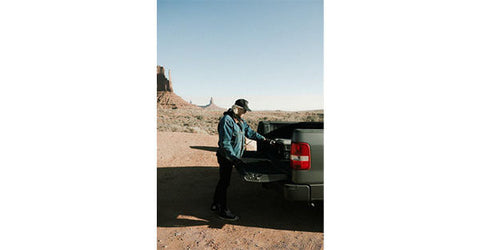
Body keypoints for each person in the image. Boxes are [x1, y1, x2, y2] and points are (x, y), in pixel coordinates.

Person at [211, 99, 274, 221]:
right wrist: (234, 158)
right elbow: (225, 144)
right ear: (237, 109)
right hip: (226, 157)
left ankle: (215, 204)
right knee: (224, 182)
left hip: (232, 157)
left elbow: (249, 133)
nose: (245, 112)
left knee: (223, 182)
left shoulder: (240, 121)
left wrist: (264, 139)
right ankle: (222, 211)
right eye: (243, 110)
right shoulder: (227, 121)